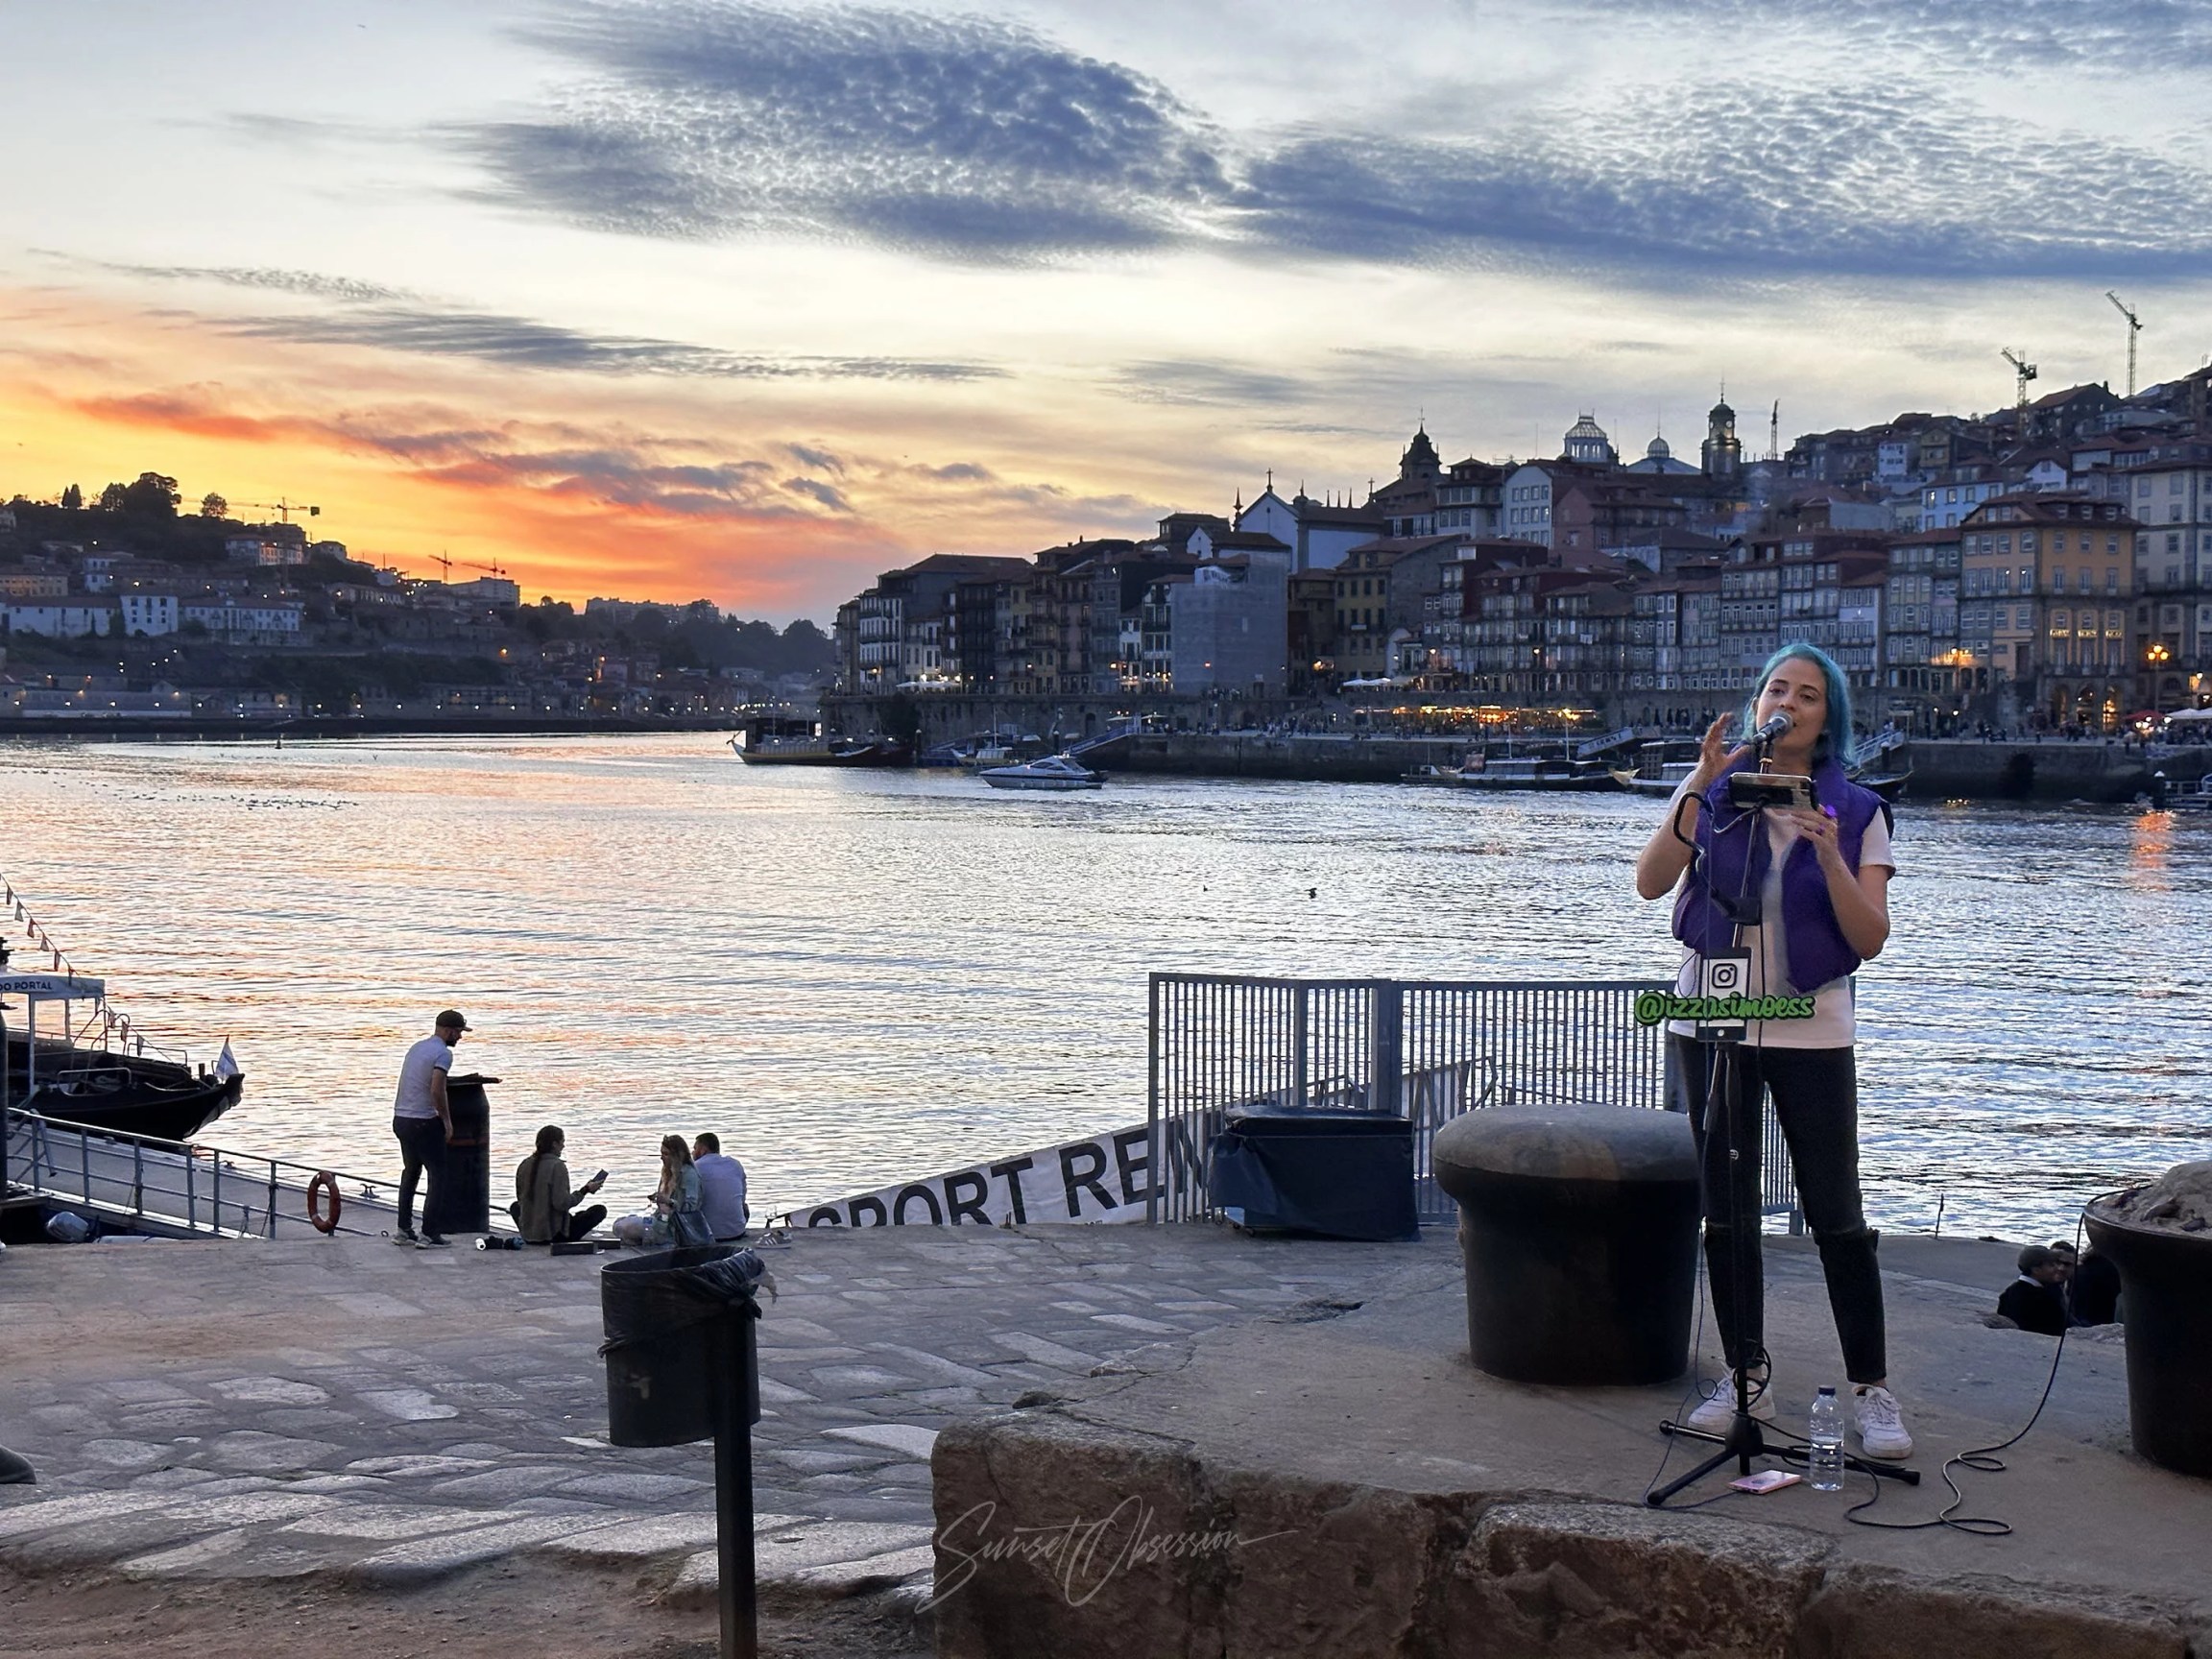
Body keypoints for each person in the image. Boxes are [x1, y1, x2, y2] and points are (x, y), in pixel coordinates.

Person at [1634, 643, 1912, 1460]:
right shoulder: (1716, 795)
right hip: (1713, 1020)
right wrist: (1697, 781)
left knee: (1837, 1215)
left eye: (1808, 696)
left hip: (1811, 1024)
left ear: (1828, 721)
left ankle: (1871, 1389)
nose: (1787, 703)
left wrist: (1828, 854)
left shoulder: (1859, 810)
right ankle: (1742, 1374)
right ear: (1759, 704)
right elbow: (1652, 883)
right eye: (1776, 689)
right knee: (1728, 1210)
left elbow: (1871, 936)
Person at [391, 1010, 468, 1248]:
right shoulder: (442, 1054)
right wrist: (446, 1120)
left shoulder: (417, 1048)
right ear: (447, 1030)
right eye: (458, 1032)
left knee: (411, 1173)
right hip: (424, 1121)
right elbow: (436, 1089)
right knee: (438, 1176)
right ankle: (429, 1233)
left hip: (401, 1118)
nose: (460, 1037)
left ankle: (404, 1230)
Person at [511, 1124, 609, 1244]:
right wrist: (586, 1189)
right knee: (599, 1210)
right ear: (554, 1144)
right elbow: (562, 1203)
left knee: (515, 1206)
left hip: (529, 1233)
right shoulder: (557, 1166)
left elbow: (521, 1198)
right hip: (554, 1235)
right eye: (562, 1142)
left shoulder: (524, 1164)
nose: (563, 1146)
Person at [614, 1135, 712, 1247]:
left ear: (677, 1156)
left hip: (674, 1227)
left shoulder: (689, 1174)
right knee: (620, 1222)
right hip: (661, 1220)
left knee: (621, 1227)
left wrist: (669, 1202)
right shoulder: (668, 1172)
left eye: (666, 1154)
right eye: (661, 1154)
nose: (662, 1158)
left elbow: (691, 1206)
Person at [1995, 1244, 2072, 1335]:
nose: (2056, 1268)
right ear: (2036, 1270)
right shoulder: (2043, 1298)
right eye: (2051, 1265)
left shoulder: (2009, 1292)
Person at [692, 1132, 750, 1241]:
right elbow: (742, 1199)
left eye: (695, 1149)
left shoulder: (695, 1167)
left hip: (708, 1235)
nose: (693, 1153)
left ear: (703, 1149)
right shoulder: (735, 1164)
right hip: (737, 1232)